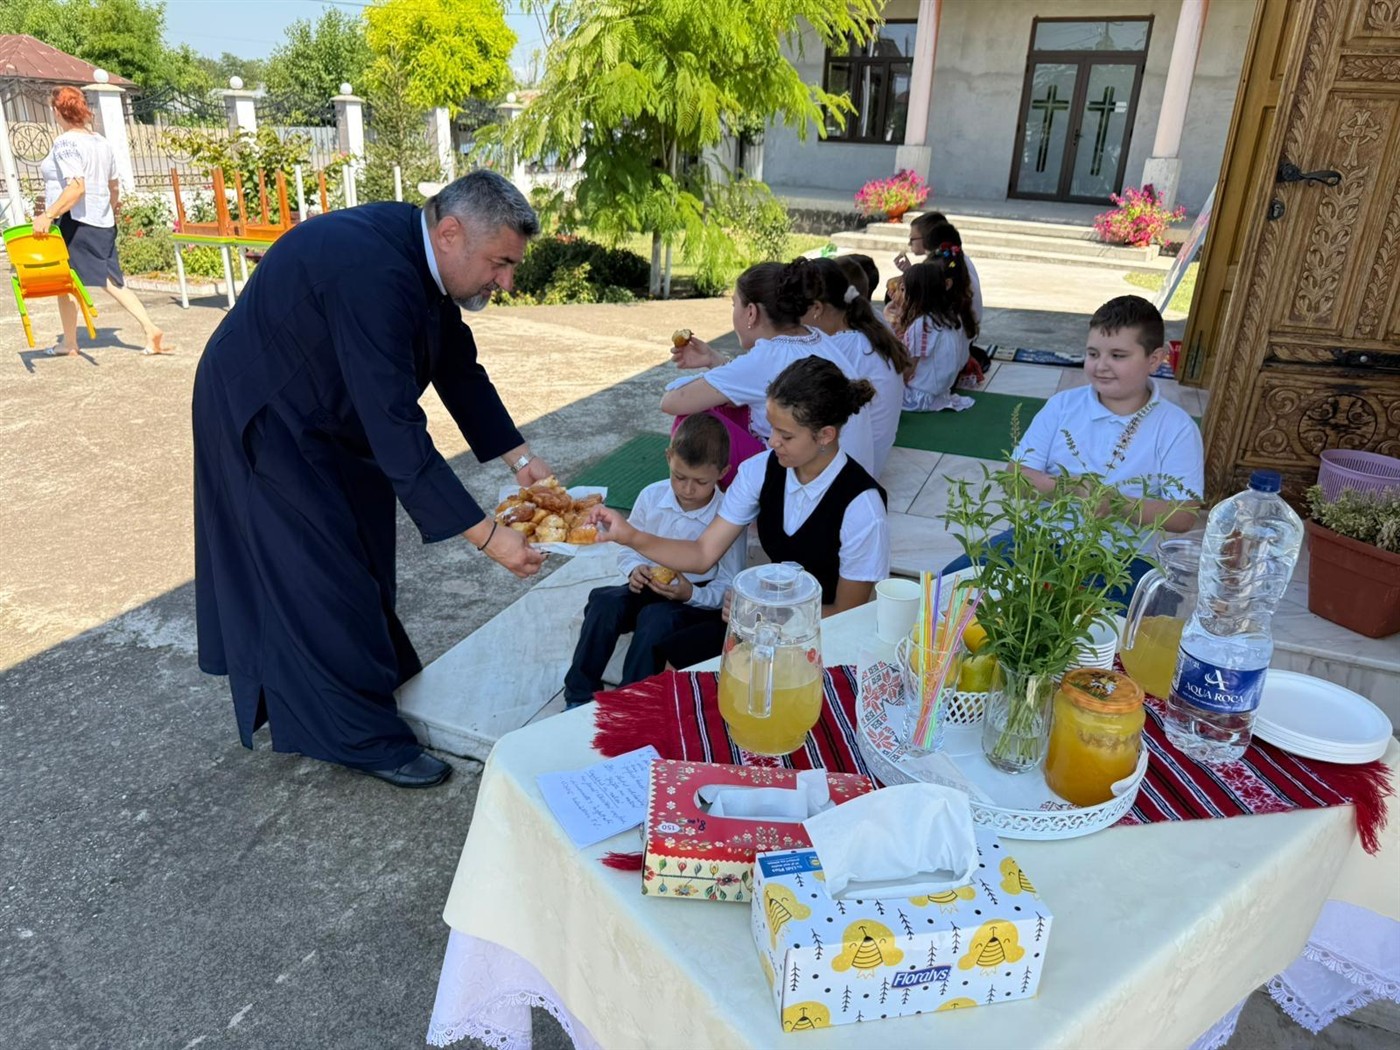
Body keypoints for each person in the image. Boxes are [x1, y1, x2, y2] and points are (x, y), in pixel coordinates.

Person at [192, 170, 549, 789]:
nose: (506, 281)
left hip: (328, 413)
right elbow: (397, 430)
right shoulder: (374, 273)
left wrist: (522, 461)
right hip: (266, 414)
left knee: (362, 555)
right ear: (451, 232)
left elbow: (457, 368)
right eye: (500, 263)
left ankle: (364, 685)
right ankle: (359, 737)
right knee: (319, 571)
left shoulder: (419, 256)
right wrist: (489, 537)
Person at [594, 356, 890, 668]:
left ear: (826, 435)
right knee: (672, 658)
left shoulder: (862, 506)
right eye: (771, 428)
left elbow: (847, 612)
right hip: (763, 618)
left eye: (786, 435)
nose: (772, 441)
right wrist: (629, 535)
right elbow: (703, 553)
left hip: (821, 634)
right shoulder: (761, 470)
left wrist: (768, 613)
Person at [941, 295, 1203, 604]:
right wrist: (1069, 487)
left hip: (1122, 559)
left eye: (1118, 355)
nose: (1101, 366)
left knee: (1105, 625)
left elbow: (1184, 515)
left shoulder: (1176, 427)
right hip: (1041, 540)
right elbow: (1015, 478)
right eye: (1093, 353)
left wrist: (1116, 504)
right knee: (950, 589)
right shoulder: (1063, 406)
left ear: (1155, 359)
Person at [562, 414, 744, 708]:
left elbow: (729, 583)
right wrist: (634, 569)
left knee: (656, 618)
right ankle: (579, 695)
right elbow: (629, 546)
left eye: (701, 482)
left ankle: (629, 703)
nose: (687, 489)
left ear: (722, 472)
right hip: (649, 584)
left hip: (694, 601)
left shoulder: (727, 516)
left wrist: (691, 593)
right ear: (669, 457)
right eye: (679, 477)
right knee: (605, 602)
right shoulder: (651, 496)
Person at [663, 259, 878, 482]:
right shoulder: (817, 337)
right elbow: (755, 381)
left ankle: (702, 492)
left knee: (692, 420)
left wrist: (711, 375)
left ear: (751, 312)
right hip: (854, 478)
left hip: (807, 484)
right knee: (729, 403)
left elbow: (671, 402)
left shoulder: (768, 355)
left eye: (734, 305)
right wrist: (713, 359)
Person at [33, 86, 167, 357]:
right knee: (88, 280)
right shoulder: (100, 142)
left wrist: (48, 215)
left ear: (57, 111)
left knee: (85, 280)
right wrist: (110, 211)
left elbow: (76, 187)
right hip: (101, 220)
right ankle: (72, 341)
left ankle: (146, 328)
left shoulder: (65, 143)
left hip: (76, 221)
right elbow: (113, 185)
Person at [800, 257, 911, 477]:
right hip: (871, 463)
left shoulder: (841, 346)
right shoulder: (870, 323)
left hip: (853, 473)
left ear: (817, 308)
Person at [898, 252, 976, 413]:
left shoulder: (922, 324)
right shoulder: (949, 318)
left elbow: (908, 368)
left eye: (903, 289)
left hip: (919, 396)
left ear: (915, 293)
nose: (901, 294)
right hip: (941, 393)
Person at [894, 212, 983, 324]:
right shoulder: (953, 258)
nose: (909, 244)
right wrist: (911, 272)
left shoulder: (945, 265)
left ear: (926, 238)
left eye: (912, 239)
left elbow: (927, 301)